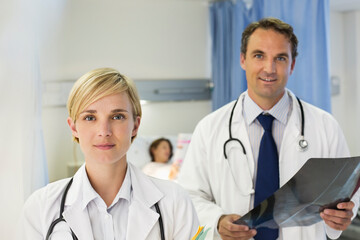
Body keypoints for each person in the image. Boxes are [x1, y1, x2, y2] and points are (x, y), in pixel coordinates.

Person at [178, 17, 360, 240]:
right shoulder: (209, 128)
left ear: (292, 65)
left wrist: (341, 217)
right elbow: (189, 196)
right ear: (243, 60)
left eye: (280, 58)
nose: (269, 68)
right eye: (259, 56)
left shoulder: (325, 126)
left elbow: (346, 194)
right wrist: (218, 221)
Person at [19, 68, 199, 239]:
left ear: (135, 126)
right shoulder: (40, 207)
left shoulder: (175, 202)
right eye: (90, 118)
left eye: (117, 116)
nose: (104, 131)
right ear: (73, 127)